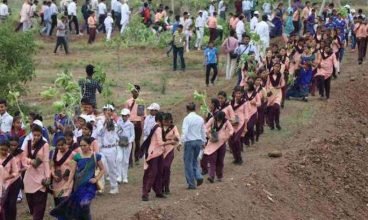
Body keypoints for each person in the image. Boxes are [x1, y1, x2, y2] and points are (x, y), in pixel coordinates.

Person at [50, 137, 105, 220]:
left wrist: (96, 179)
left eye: (84, 145)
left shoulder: (95, 156)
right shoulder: (77, 157)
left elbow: (103, 169)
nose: (82, 147)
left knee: (85, 204)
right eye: (81, 146)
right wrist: (68, 184)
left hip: (90, 186)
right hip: (79, 186)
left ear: (89, 145)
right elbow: (72, 171)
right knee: (79, 208)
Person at [23, 125, 51, 220]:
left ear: (41, 135)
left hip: (41, 176)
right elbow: (24, 158)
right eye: (34, 135)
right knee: (31, 202)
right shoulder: (28, 143)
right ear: (31, 134)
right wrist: (31, 161)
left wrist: (47, 177)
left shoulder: (45, 144)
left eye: (38, 135)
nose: (36, 137)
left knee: (40, 204)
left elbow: (46, 162)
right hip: (29, 175)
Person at [141, 112, 168, 201]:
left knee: (159, 172)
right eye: (164, 119)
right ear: (160, 120)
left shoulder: (156, 127)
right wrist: (170, 142)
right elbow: (160, 142)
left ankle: (158, 191)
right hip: (155, 153)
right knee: (153, 172)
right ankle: (146, 192)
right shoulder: (158, 128)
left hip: (157, 152)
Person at [203, 111, 233, 183]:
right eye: (217, 118)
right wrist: (208, 135)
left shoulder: (226, 121)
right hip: (212, 142)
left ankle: (219, 176)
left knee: (220, 160)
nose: (218, 120)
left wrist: (228, 136)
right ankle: (211, 176)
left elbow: (231, 129)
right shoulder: (212, 119)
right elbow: (205, 128)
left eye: (220, 119)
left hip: (222, 143)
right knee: (212, 160)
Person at [181, 102, 205, 189]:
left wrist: (181, 142)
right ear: (195, 109)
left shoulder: (187, 119)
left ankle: (191, 183)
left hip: (189, 142)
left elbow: (185, 131)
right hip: (198, 141)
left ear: (187, 109)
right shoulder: (200, 119)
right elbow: (203, 131)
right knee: (195, 161)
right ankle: (198, 176)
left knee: (188, 163)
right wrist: (204, 142)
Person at [50, 137, 75, 212]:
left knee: (65, 201)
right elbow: (51, 166)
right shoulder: (54, 153)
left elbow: (75, 167)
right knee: (58, 202)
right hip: (57, 181)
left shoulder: (72, 154)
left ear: (66, 144)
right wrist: (53, 174)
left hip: (67, 181)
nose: (60, 147)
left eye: (62, 145)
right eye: (58, 145)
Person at [0, 135, 20, 220]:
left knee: (6, 205)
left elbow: (15, 172)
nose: (4, 151)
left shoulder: (11, 158)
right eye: (2, 149)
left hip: (6, 185)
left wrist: (8, 177)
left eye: (5, 150)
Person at [123, 85, 144, 166]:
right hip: (130, 123)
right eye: (134, 91)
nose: (136, 93)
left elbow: (141, 115)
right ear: (132, 92)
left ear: (139, 92)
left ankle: (137, 158)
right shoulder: (128, 102)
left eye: (137, 91)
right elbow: (125, 114)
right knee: (130, 142)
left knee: (137, 142)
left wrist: (142, 125)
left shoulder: (141, 102)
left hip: (138, 123)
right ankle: (130, 161)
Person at [97, 118, 119, 194]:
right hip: (103, 149)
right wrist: (104, 124)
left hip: (112, 148)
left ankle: (114, 186)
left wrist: (111, 121)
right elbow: (99, 133)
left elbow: (116, 128)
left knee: (112, 168)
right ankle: (101, 187)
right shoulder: (101, 123)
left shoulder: (115, 124)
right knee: (103, 168)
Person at [228, 86, 248, 164]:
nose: (238, 95)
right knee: (231, 141)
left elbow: (246, 115)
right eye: (237, 93)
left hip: (241, 123)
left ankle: (239, 158)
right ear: (234, 93)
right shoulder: (231, 102)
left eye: (240, 93)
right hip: (233, 122)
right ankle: (235, 158)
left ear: (242, 94)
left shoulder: (245, 102)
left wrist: (245, 127)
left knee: (236, 140)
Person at [162, 113, 179, 194]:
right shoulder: (159, 127)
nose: (166, 122)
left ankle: (166, 186)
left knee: (167, 167)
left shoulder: (173, 127)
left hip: (169, 149)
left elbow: (177, 136)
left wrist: (176, 139)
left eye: (167, 121)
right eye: (164, 120)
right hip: (161, 149)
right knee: (161, 168)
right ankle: (161, 186)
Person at [116, 108, 134, 184]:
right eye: (123, 115)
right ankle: (119, 176)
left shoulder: (130, 124)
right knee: (119, 158)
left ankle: (125, 177)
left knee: (125, 161)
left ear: (128, 116)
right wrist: (118, 140)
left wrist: (128, 142)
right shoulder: (118, 123)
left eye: (125, 116)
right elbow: (116, 133)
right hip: (119, 143)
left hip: (127, 144)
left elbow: (133, 135)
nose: (124, 117)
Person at [266, 62, 285, 130]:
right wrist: (267, 91)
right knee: (271, 109)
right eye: (275, 66)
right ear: (273, 67)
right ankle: (272, 123)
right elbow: (267, 84)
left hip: (278, 92)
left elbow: (283, 82)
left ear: (280, 68)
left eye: (278, 67)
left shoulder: (281, 75)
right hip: (271, 92)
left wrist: (280, 86)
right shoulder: (269, 75)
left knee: (276, 107)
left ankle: (276, 122)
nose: (277, 68)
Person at [243, 80, 260, 146]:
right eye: (245, 86)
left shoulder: (256, 94)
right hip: (246, 113)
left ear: (250, 86)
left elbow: (259, 103)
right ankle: (247, 141)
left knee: (250, 126)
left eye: (247, 86)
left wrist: (254, 103)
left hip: (253, 113)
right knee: (246, 127)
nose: (245, 87)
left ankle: (252, 138)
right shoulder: (244, 94)